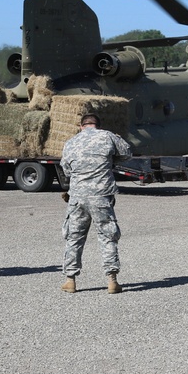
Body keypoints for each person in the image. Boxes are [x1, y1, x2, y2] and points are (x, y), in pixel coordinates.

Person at [60, 113, 132, 294]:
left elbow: (67, 170)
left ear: (81, 125)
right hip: (101, 196)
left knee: (74, 237)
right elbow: (127, 153)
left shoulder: (71, 142)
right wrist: (109, 161)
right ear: (97, 125)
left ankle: (70, 280)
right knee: (108, 236)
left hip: (77, 197)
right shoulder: (108, 136)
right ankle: (112, 280)